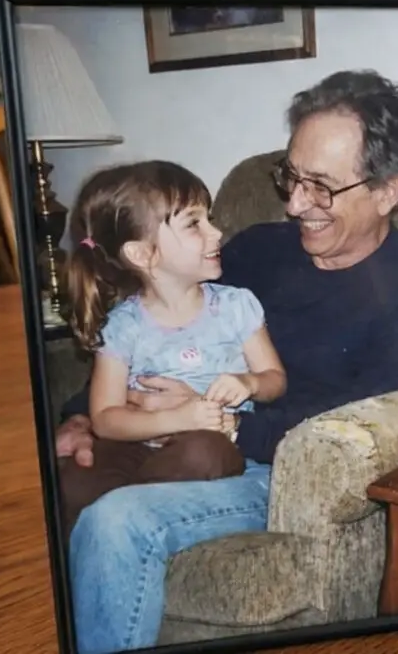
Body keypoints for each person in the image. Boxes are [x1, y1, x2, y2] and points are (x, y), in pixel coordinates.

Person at [54, 69, 398, 654]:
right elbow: (156, 328)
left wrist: (223, 421)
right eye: (291, 177)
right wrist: (81, 416)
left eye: (320, 187)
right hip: (168, 435)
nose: (295, 205)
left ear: (388, 190)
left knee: (118, 522)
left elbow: (368, 415)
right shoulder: (254, 249)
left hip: (275, 469)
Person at [56, 160, 286, 542]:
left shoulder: (236, 306)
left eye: (208, 219)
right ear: (143, 254)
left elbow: (275, 380)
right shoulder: (123, 325)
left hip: (210, 444)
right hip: (138, 444)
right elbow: (107, 419)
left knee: (204, 453)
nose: (217, 233)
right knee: (73, 483)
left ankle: (128, 516)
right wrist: (178, 417)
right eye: (194, 224)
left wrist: (249, 382)